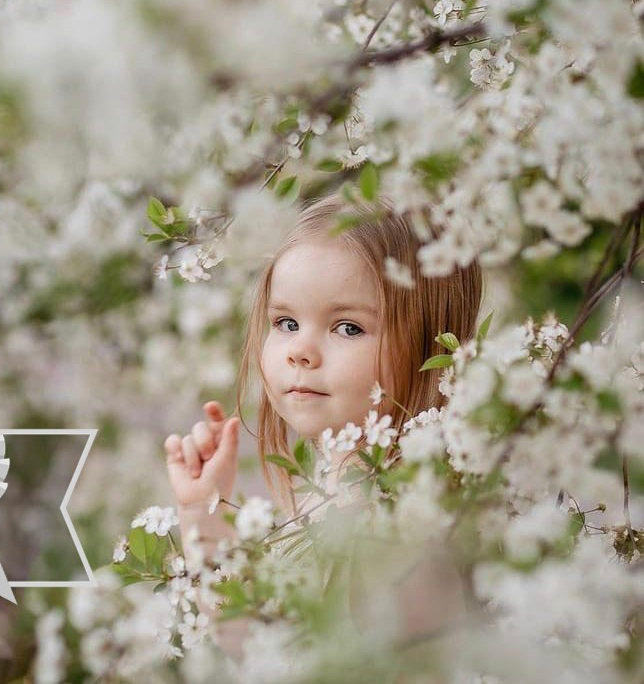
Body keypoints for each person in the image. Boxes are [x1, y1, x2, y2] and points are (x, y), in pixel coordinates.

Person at [164, 190, 483, 658]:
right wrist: (202, 518)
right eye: (286, 322)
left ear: (429, 348)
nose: (300, 351)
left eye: (348, 327)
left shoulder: (404, 524)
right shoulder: (329, 495)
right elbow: (257, 649)